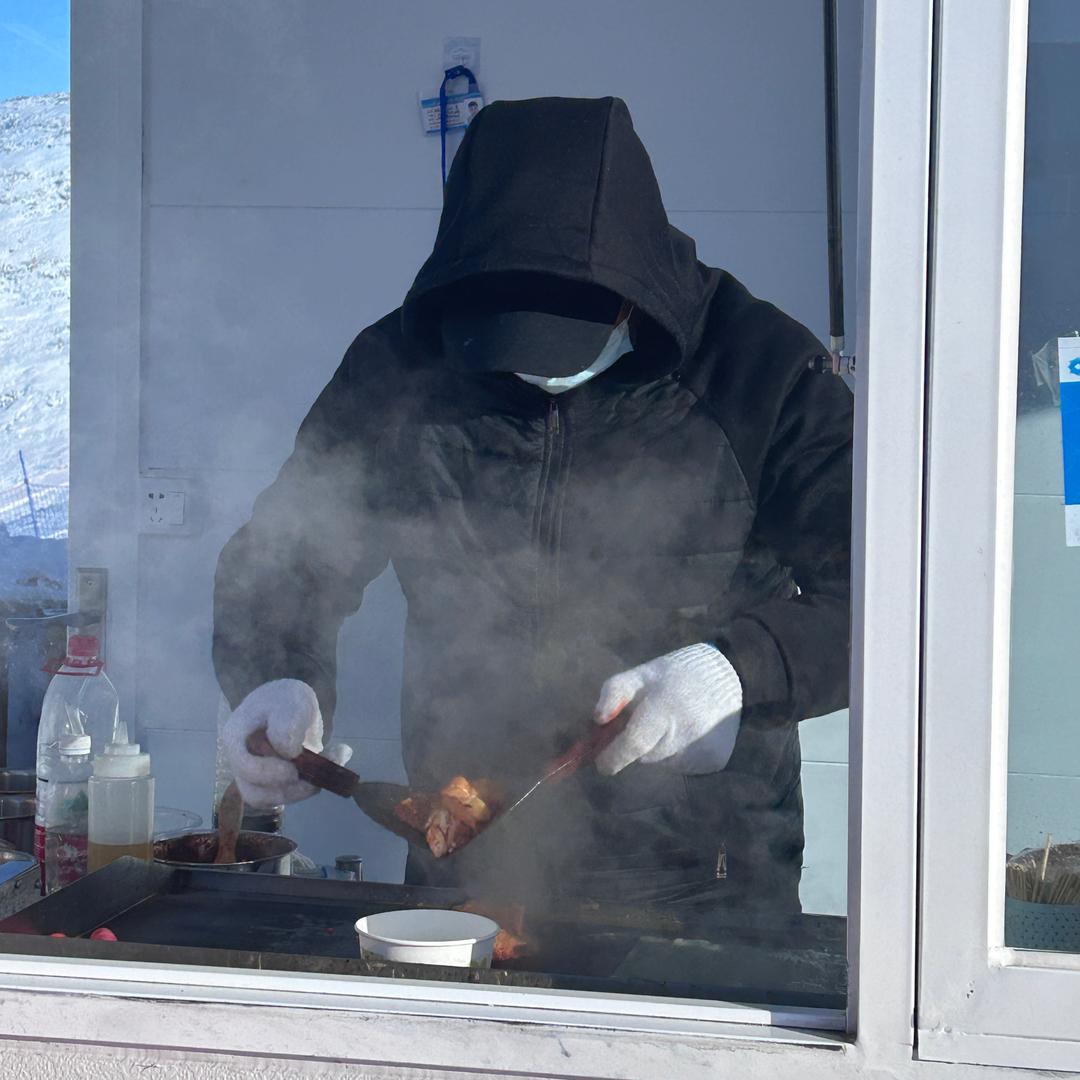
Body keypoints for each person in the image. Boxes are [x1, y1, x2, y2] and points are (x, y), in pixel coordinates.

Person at [213, 96, 853, 914]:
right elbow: (292, 548)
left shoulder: (757, 369)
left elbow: (892, 584)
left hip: (704, 871)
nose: (531, 372)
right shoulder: (405, 362)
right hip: (466, 851)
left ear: (633, 294)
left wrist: (737, 671)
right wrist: (276, 672)